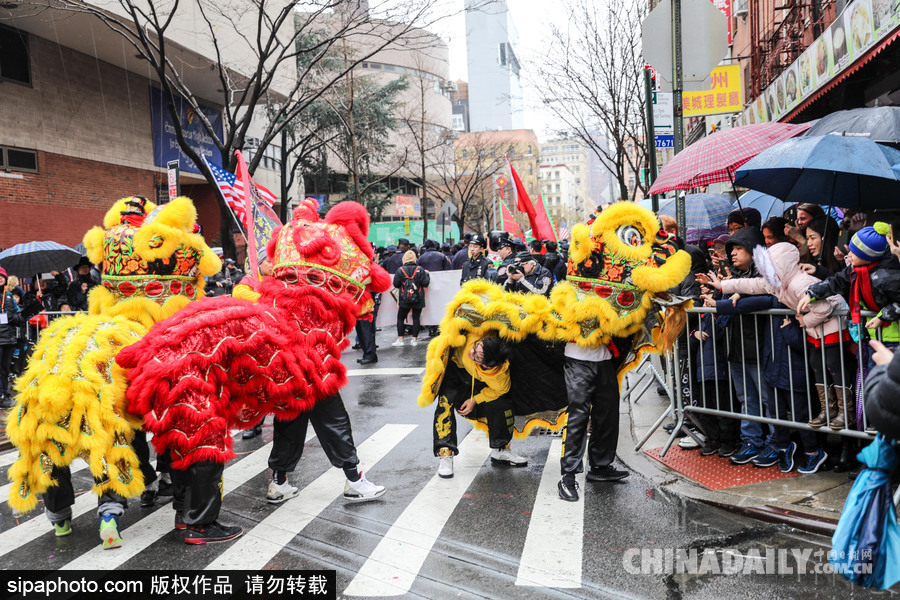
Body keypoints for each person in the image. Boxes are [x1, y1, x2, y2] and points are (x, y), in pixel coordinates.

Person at [434, 334, 526, 478]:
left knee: (502, 401)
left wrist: (475, 400)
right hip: (454, 368)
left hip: (477, 379)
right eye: (477, 346)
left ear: (487, 365)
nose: (472, 352)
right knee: (445, 402)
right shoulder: (475, 337)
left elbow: (499, 390)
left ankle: (501, 449)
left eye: (477, 356)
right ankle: (445, 455)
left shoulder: (499, 378)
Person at [558, 333, 629, 502]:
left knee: (608, 413)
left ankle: (600, 466)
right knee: (578, 416)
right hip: (577, 360)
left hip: (605, 360)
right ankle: (568, 475)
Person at [233, 247, 276, 437]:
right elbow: (239, 293)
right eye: (268, 261)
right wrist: (266, 300)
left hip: (277, 336)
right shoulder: (251, 280)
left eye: (274, 260)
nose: (272, 265)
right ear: (258, 264)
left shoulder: (280, 279)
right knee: (254, 382)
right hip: (255, 337)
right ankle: (253, 422)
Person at [392, 250, 431, 347]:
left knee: (400, 318)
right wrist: (427, 274)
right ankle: (414, 340)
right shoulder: (420, 269)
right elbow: (425, 284)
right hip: (418, 298)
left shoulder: (400, 270)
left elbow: (396, 284)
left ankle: (400, 340)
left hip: (404, 298)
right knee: (416, 318)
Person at [0, 266, 22, 409]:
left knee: (4, 369)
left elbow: (18, 315)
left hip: (8, 338)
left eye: (2, 276)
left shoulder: (8, 296)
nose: (0, 278)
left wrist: (13, 317)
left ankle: (4, 395)